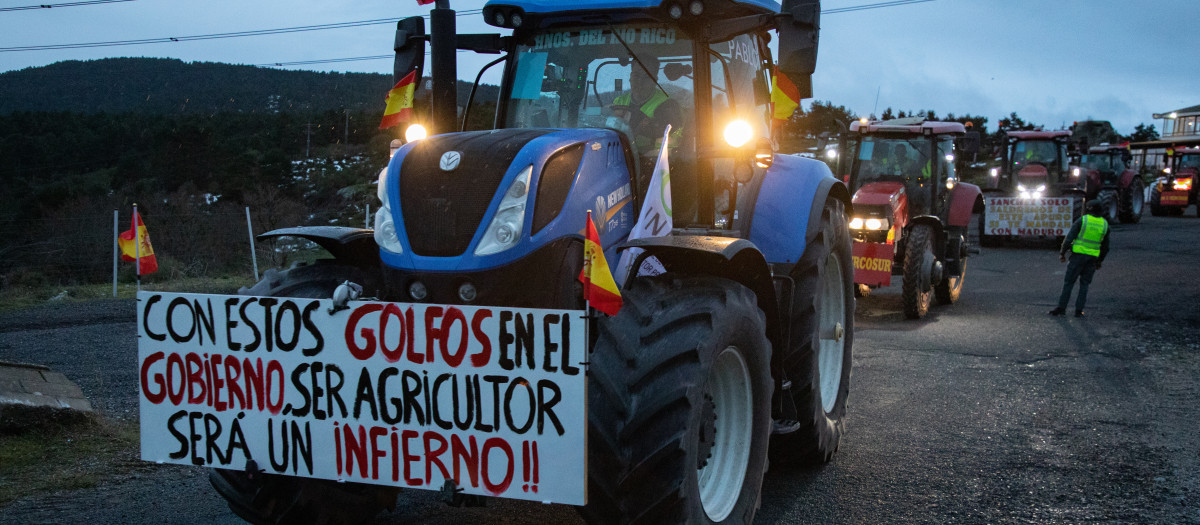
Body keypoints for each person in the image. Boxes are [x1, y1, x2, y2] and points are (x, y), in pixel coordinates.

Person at [1049, 199, 1110, 317]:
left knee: (1069, 282)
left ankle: (1062, 308)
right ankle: (1079, 311)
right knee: (1085, 284)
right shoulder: (1105, 225)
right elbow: (1106, 247)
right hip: (1092, 258)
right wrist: (1100, 261)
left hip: (1077, 257)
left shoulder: (1083, 220)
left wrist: (1062, 252)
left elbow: (1069, 238)